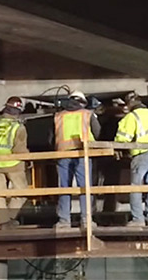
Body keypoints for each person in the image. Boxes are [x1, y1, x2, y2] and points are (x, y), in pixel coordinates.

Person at [52, 90, 100, 229]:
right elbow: (97, 132)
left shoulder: (58, 116)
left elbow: (51, 136)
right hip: (82, 154)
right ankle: (86, 219)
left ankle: (64, 221)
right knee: (85, 187)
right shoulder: (87, 114)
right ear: (83, 102)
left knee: (64, 187)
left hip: (63, 154)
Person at [116, 92, 148, 227]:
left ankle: (138, 219)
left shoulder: (133, 117)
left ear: (130, 104)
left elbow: (122, 138)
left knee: (135, 188)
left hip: (140, 154)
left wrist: (118, 148)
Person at [0, 96, 29, 229]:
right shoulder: (19, 127)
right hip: (14, 164)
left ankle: (2, 222)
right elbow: (20, 149)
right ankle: (10, 218)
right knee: (22, 192)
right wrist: (29, 158)